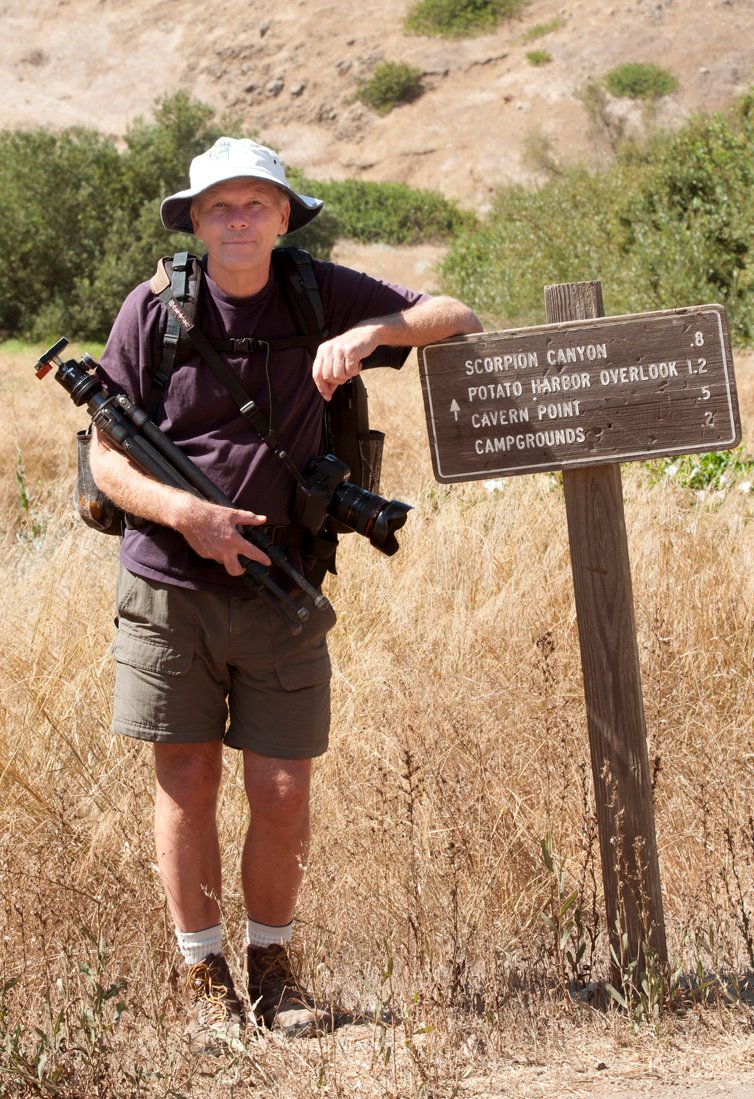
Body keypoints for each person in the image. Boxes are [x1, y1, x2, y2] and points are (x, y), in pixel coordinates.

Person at [89, 135, 482, 1049]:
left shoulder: (319, 289)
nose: (238, 219)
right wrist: (185, 514)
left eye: (255, 204)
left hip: (284, 587)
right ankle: (200, 974)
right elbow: (104, 455)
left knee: (281, 786)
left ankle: (273, 970)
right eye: (220, 205)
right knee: (185, 776)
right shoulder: (152, 309)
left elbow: (458, 316)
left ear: (282, 217)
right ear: (194, 220)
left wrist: (374, 332)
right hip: (168, 582)